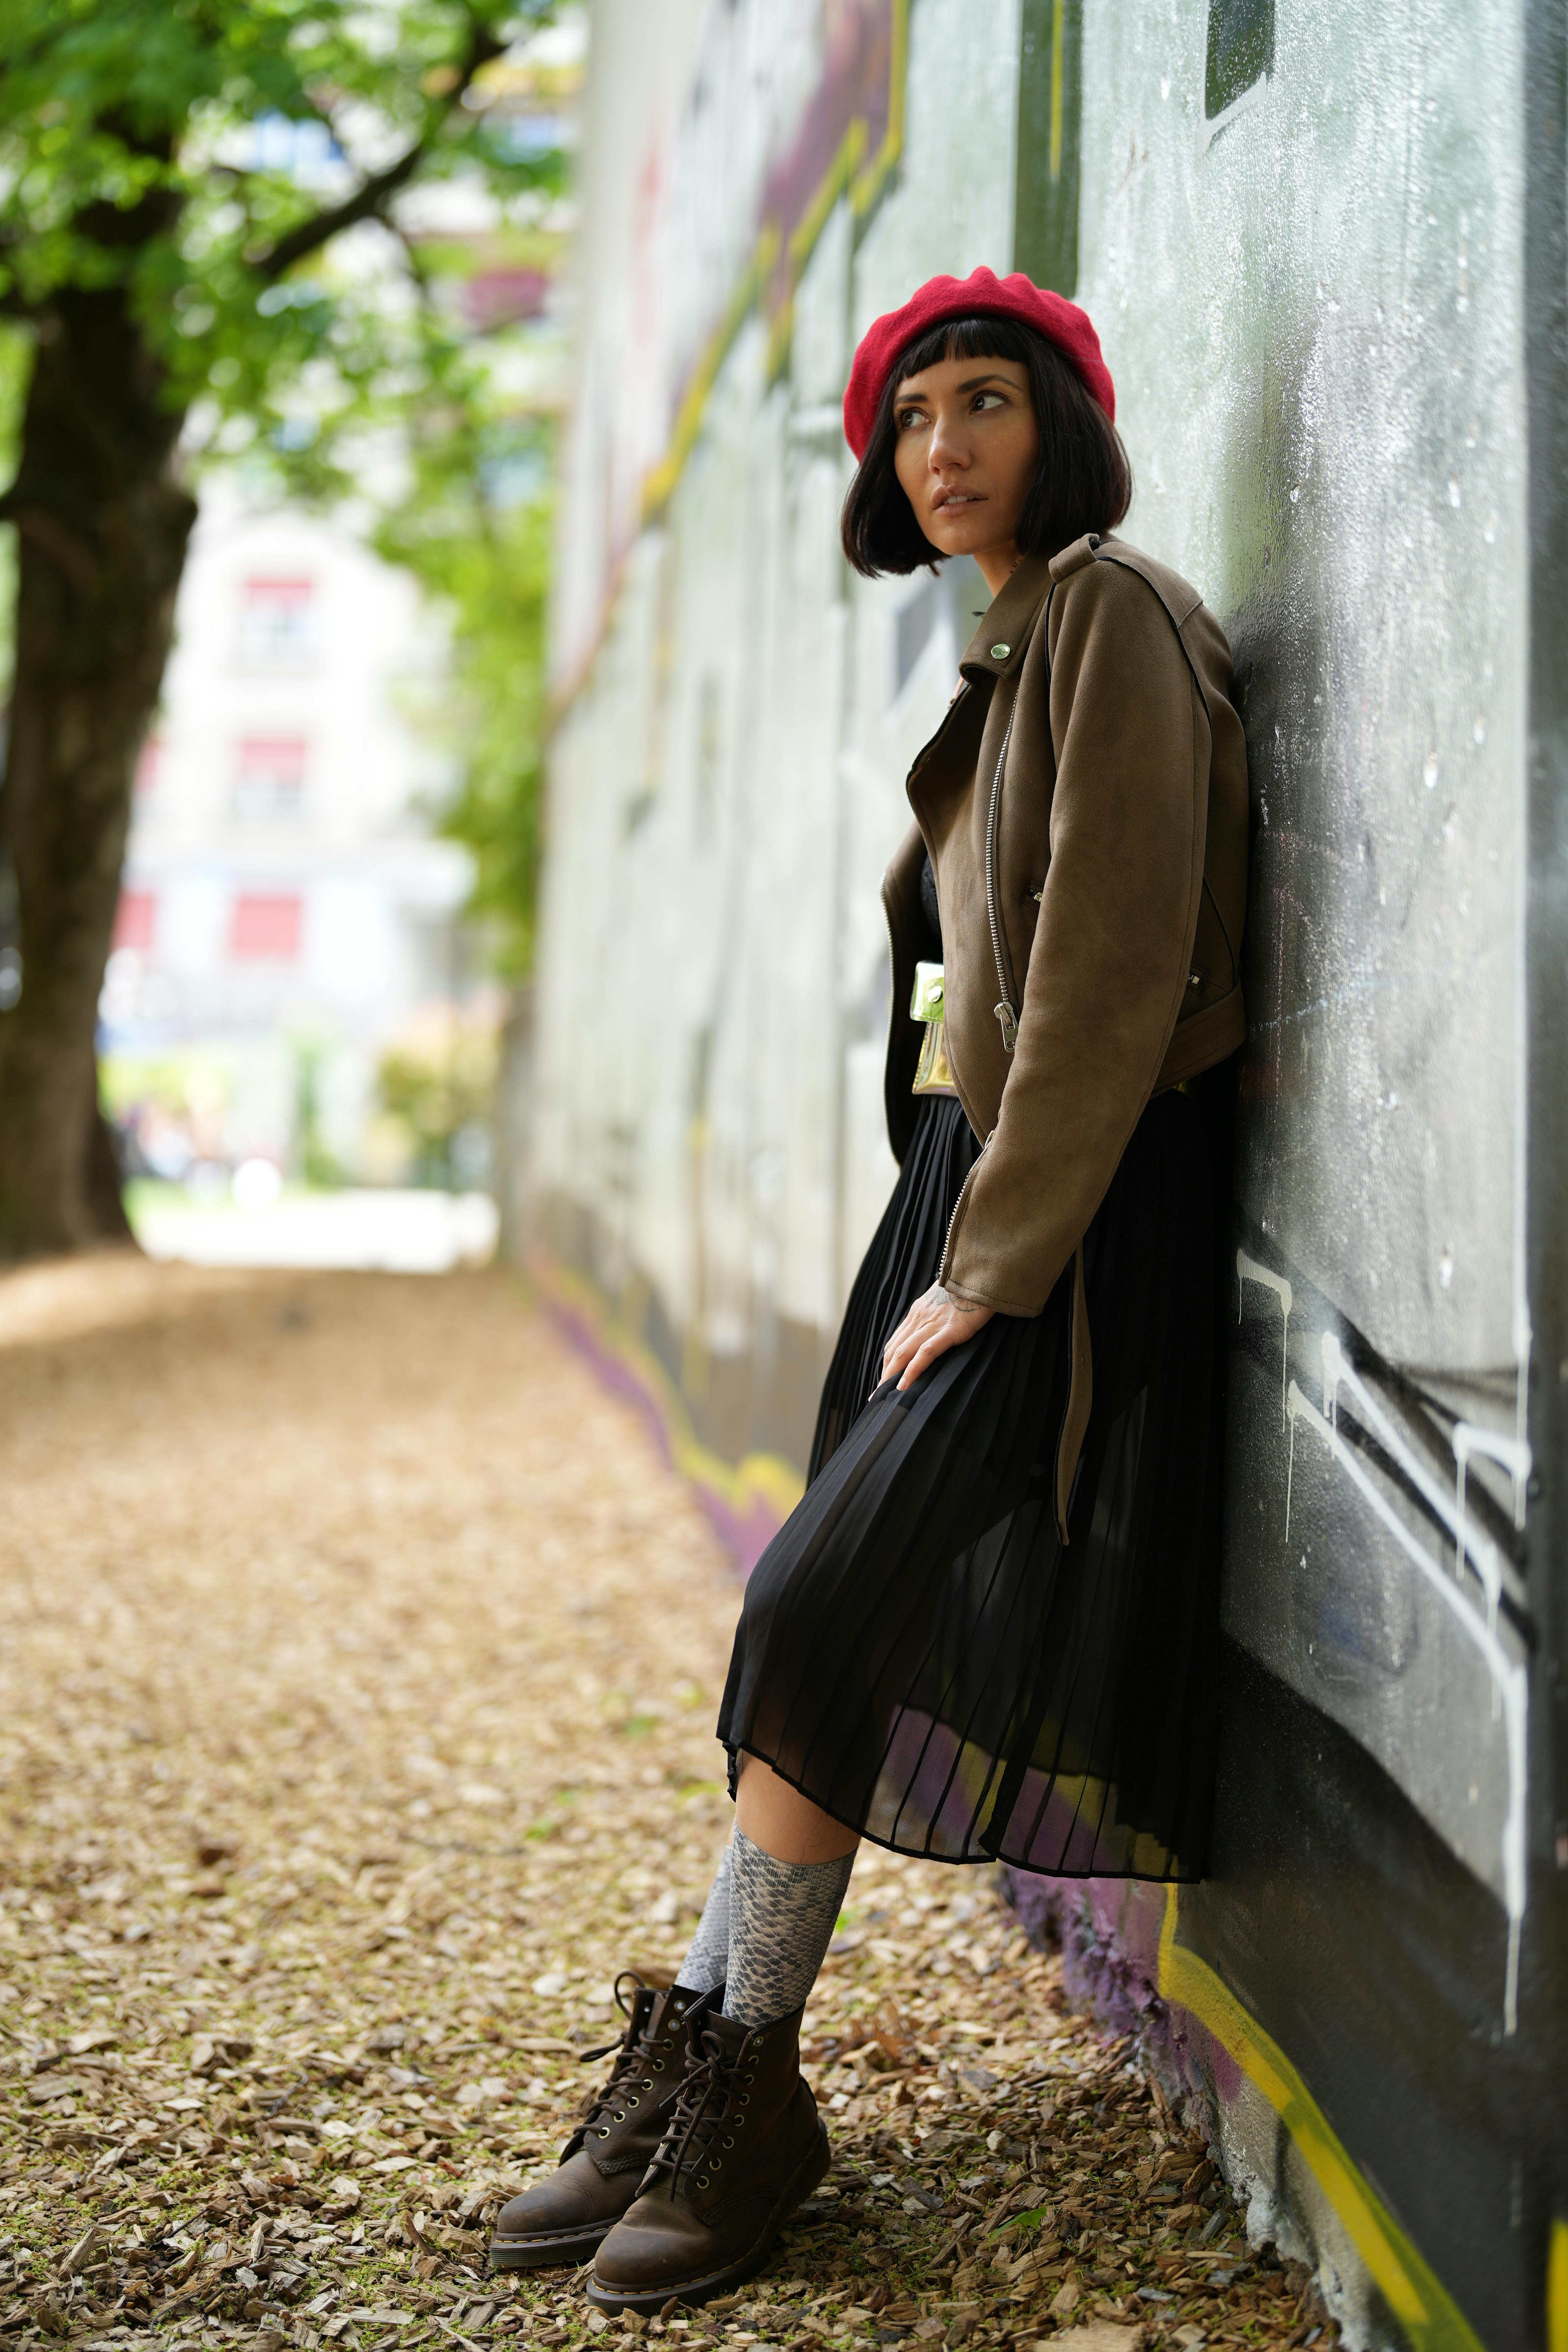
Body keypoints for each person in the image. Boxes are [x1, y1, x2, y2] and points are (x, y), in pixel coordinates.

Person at [488, 265, 1250, 2315]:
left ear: (1064, 425)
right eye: (912, 422)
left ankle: (746, 2085)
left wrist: (995, 1268)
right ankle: (710, 2060)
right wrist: (946, 1229)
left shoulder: (1112, 618)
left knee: (819, 1599)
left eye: (984, 404)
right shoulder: (1011, 648)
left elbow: (1112, 967)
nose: (942, 449)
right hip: (962, 1198)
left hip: (1063, 1226)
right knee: (817, 1626)